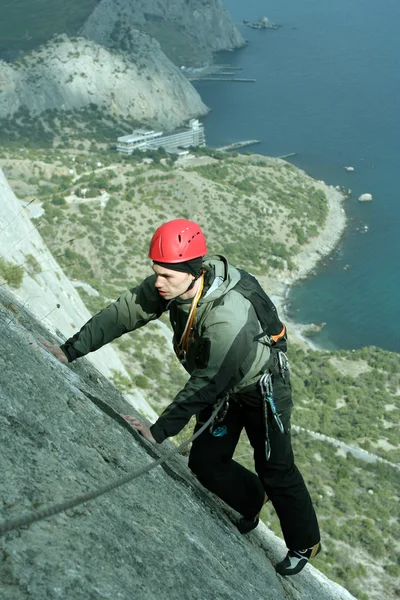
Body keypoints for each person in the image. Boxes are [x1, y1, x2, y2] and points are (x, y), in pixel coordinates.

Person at [40, 218, 320, 576]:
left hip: (262, 387)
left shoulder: (228, 314)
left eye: (167, 276)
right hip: (223, 385)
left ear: (193, 271)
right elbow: (124, 313)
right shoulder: (174, 283)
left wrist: (158, 432)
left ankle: (304, 543)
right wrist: (70, 350)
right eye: (156, 272)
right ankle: (253, 498)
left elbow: (207, 381)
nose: (158, 282)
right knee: (205, 464)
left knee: (276, 467)